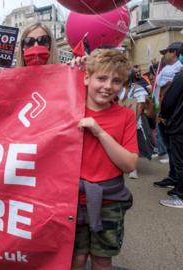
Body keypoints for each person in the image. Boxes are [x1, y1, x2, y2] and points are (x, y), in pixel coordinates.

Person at [72, 49, 138, 270]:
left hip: (110, 202)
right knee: (75, 258)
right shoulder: (69, 109)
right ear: (87, 77)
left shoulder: (126, 115)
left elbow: (129, 164)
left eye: (117, 81)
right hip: (71, 201)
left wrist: (100, 133)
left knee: (101, 259)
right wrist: (68, 71)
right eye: (101, 77)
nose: (108, 86)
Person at [153, 42, 183, 188]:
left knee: (176, 151)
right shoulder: (170, 69)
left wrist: (164, 115)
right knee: (171, 148)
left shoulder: (179, 71)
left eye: (166, 52)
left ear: (174, 53)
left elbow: (170, 95)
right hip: (166, 115)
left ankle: (179, 185)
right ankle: (173, 177)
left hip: (172, 117)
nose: (163, 56)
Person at [159, 64, 183, 208]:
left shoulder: (180, 77)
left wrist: (163, 115)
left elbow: (169, 100)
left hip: (179, 125)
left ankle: (180, 195)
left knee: (180, 160)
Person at [119, 69, 149, 179]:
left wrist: (134, 121)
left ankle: (133, 169)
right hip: (120, 122)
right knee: (121, 144)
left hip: (133, 122)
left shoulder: (138, 88)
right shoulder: (119, 88)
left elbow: (140, 106)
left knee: (132, 145)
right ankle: (123, 165)